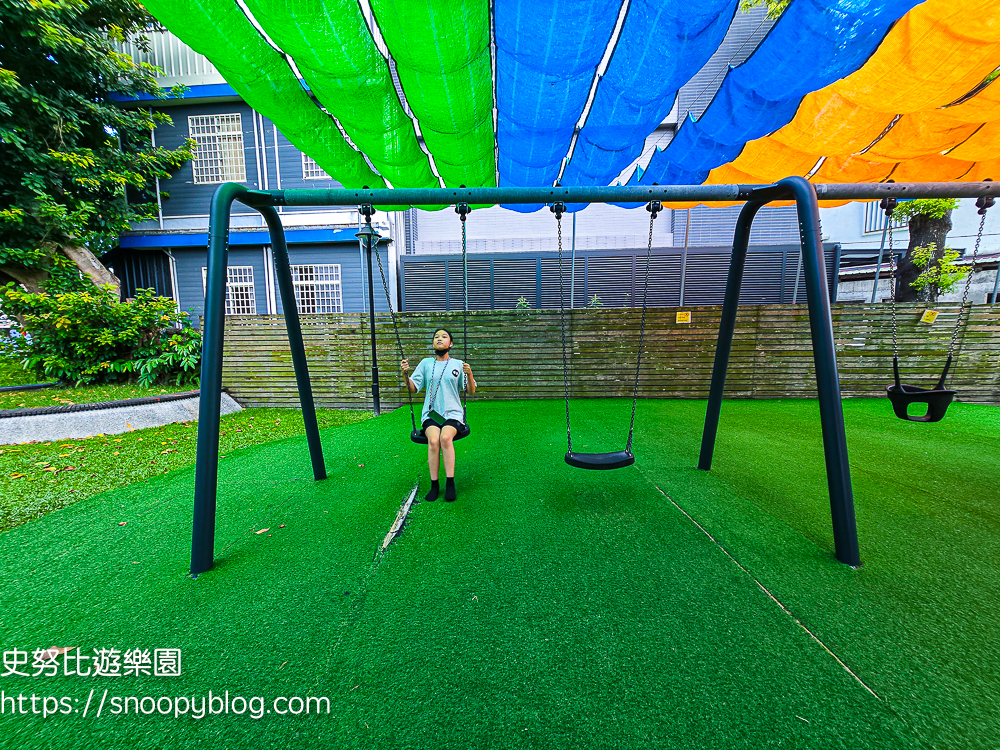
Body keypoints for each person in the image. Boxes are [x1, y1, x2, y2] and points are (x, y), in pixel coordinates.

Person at [401, 328, 476, 502]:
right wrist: (405, 374)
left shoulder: (458, 364)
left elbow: (471, 391)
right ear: (433, 343)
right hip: (431, 414)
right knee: (434, 440)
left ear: (451, 343)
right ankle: (434, 485)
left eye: (444, 337)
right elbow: (413, 388)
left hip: (453, 414)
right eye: (436, 337)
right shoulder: (426, 364)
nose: (439, 339)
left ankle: (450, 483)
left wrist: (469, 373)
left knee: (445, 438)